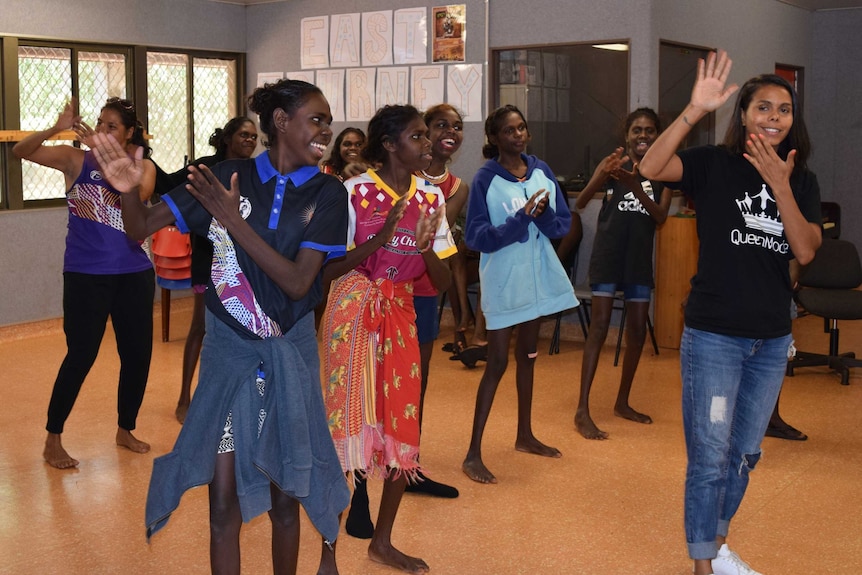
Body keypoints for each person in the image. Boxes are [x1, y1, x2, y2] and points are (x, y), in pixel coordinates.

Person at [90, 79, 351, 574]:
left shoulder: (328, 193)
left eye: (327, 120)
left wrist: (235, 223)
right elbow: (139, 229)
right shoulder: (224, 176)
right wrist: (125, 191)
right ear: (281, 122)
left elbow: (299, 284)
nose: (326, 129)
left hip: (287, 362)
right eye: (316, 119)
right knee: (222, 503)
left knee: (285, 500)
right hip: (229, 362)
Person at [638, 51, 821, 575]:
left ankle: (716, 548)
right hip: (715, 336)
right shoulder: (711, 165)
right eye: (762, 107)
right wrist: (694, 110)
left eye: (783, 109)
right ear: (741, 114)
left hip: (769, 338)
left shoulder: (799, 178)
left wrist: (781, 186)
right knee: (710, 456)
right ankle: (701, 566)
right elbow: (651, 168)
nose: (773, 117)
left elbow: (805, 250)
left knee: (745, 453)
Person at [320, 104, 455, 574]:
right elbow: (327, 269)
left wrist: (421, 248)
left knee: (403, 424)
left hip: (399, 309)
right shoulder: (353, 193)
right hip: (352, 309)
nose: (427, 143)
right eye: (418, 137)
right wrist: (381, 240)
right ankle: (327, 552)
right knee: (347, 428)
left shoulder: (431, 199)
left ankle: (382, 541)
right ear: (391, 144)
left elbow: (442, 281)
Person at [14, 97, 156, 469]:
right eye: (100, 123)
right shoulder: (74, 159)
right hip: (85, 275)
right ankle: (53, 439)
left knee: (137, 356)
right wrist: (56, 127)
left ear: (129, 134)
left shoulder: (144, 167)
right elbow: (20, 151)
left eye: (113, 126)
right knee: (81, 356)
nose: (103, 131)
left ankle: (126, 429)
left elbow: (140, 201)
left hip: (133, 275)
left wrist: (115, 165)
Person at [461, 104, 577, 485]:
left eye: (522, 128)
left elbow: (561, 223)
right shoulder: (484, 180)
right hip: (504, 281)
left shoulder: (541, 171)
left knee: (528, 356)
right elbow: (476, 237)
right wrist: (522, 217)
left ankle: (524, 435)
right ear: (495, 138)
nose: (519, 135)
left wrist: (541, 215)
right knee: (496, 362)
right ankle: (473, 452)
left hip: (537, 280)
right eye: (509, 130)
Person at [573, 108, 673, 440]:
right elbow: (582, 202)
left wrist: (637, 186)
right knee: (599, 327)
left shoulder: (665, 170)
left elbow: (660, 217)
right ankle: (582, 409)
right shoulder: (614, 165)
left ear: (657, 134)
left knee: (637, 332)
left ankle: (622, 402)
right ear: (626, 134)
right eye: (636, 131)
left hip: (638, 260)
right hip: (609, 256)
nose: (643, 136)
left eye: (649, 131)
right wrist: (603, 174)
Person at [172, 116, 259, 424]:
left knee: (239, 331)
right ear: (228, 138)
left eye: (254, 136)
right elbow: (169, 188)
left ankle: (229, 397)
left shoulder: (256, 172)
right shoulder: (206, 168)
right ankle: (184, 397)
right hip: (208, 259)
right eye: (244, 135)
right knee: (200, 327)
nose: (250, 140)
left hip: (242, 263)